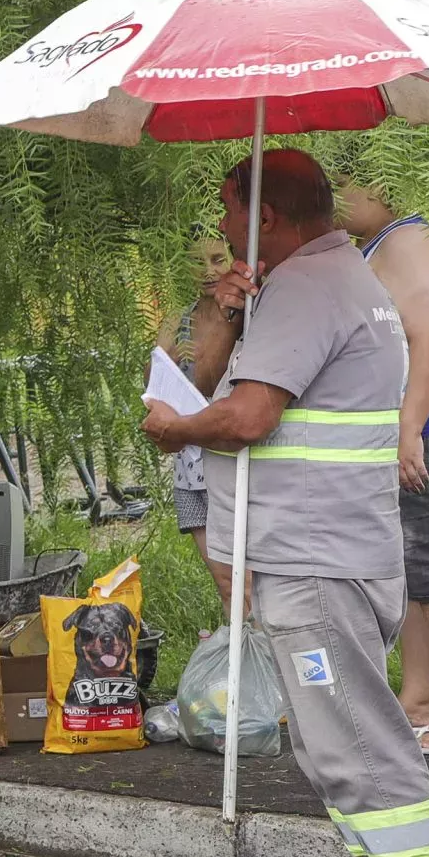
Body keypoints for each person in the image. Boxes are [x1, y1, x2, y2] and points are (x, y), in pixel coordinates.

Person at [144, 149, 429, 857]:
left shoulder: (309, 288)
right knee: (342, 750)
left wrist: (176, 431)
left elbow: (248, 415)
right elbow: (235, 382)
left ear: (269, 218)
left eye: (227, 212)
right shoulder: (338, 276)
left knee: (360, 749)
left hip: (316, 562)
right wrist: (226, 319)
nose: (219, 228)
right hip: (332, 551)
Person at [339, 178, 429, 759]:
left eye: (341, 185)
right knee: (417, 568)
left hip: (422, 435)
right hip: (407, 435)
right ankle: (420, 700)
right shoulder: (384, 241)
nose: (335, 203)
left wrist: (408, 429)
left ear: (380, 181)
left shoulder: (408, 240)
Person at [158, 234, 238, 600]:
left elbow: (215, 379)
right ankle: (239, 653)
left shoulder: (247, 315)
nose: (208, 271)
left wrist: (227, 318)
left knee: (247, 582)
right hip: (189, 467)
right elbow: (154, 381)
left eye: (218, 259)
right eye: (196, 262)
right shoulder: (181, 316)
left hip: (231, 463)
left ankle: (264, 654)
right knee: (224, 582)